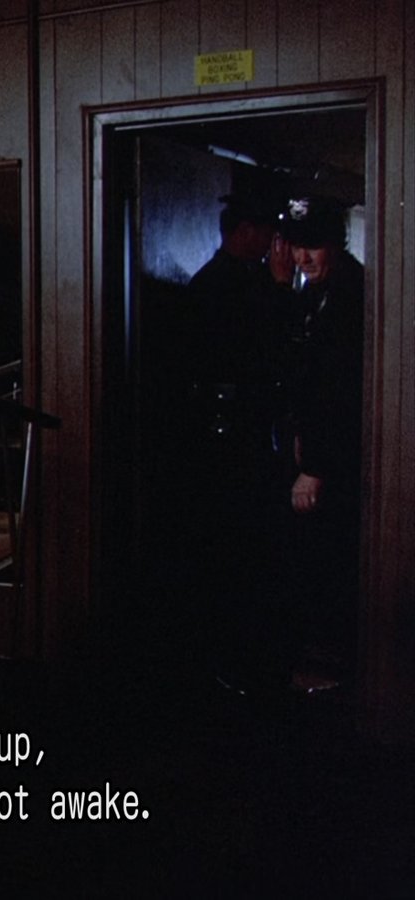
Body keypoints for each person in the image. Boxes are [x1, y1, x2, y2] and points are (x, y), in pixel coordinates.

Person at [184, 189, 294, 693]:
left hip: (233, 440)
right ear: (246, 232)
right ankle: (235, 663)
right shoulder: (229, 286)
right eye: (267, 231)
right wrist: (279, 289)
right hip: (232, 443)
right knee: (239, 554)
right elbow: (270, 352)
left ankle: (239, 658)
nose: (274, 241)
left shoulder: (223, 281)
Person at [278, 195, 364, 691]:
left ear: (336, 244)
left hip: (337, 461)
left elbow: (338, 391)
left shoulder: (351, 293)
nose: (303, 257)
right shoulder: (313, 293)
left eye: (313, 246)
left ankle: (331, 671)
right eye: (296, 246)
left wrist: (314, 467)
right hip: (312, 450)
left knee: (330, 560)